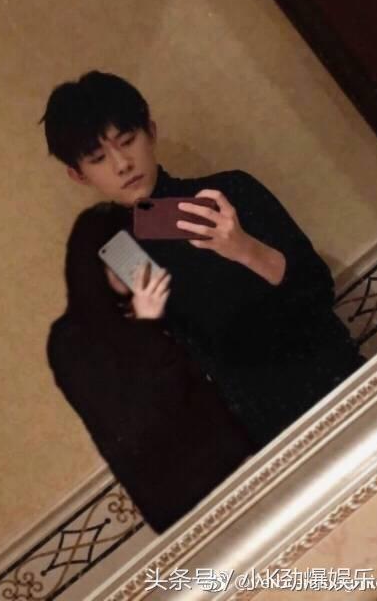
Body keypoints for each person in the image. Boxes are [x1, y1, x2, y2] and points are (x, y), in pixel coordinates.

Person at [41, 70, 365, 447]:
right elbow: (187, 363)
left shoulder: (230, 191)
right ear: (79, 175)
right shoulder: (122, 255)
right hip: (268, 437)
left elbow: (318, 289)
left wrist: (245, 249)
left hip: (342, 387)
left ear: (151, 131)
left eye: (127, 141)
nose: (122, 164)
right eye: (98, 158)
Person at [46, 202, 257, 534]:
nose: (135, 261)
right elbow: (138, 420)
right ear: (93, 262)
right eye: (120, 251)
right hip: (190, 505)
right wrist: (147, 327)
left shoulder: (162, 306)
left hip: (247, 464)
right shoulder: (71, 339)